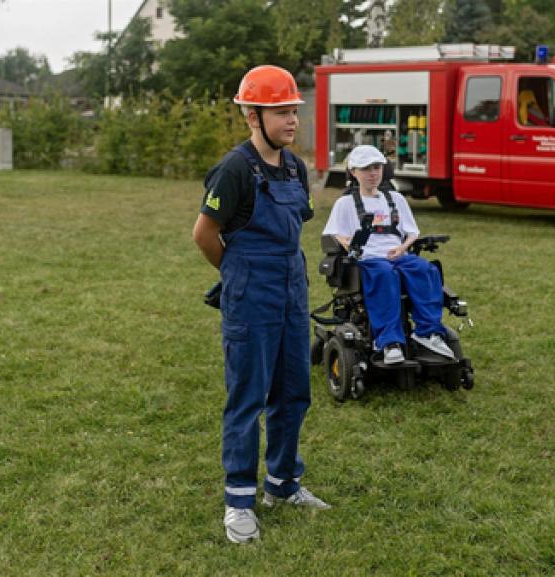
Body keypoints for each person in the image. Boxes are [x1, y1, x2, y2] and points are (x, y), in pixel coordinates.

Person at [192, 65, 329, 545]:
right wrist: (237, 275)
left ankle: (283, 484)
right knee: (248, 399)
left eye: (294, 110)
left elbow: (298, 225)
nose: (293, 119)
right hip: (252, 291)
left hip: (292, 287)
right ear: (253, 115)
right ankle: (239, 502)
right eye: (282, 111)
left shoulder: (295, 167)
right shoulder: (234, 169)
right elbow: (204, 234)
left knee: (294, 392)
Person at [322, 145, 456, 365]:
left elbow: (412, 233)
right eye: (366, 169)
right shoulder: (345, 203)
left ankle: (427, 333)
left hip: (397, 255)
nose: (373, 173)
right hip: (368, 259)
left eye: (376, 167)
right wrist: (348, 244)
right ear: (354, 172)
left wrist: (402, 248)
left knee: (425, 269)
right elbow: (334, 233)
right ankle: (388, 342)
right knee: (384, 274)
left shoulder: (395, 199)